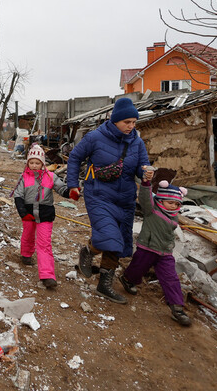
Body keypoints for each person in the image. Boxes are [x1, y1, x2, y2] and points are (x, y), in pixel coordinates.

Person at [66, 97, 150, 303]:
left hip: (125, 199)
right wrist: (72, 185)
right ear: (115, 121)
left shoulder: (137, 143)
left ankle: (104, 285)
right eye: (127, 122)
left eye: (134, 122)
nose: (131, 126)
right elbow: (75, 157)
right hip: (99, 194)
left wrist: (146, 173)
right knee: (109, 236)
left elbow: (142, 166)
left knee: (119, 242)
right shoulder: (95, 137)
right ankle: (88, 251)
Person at [119, 178, 192, 326]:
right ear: (161, 200)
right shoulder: (152, 210)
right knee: (137, 268)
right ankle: (127, 280)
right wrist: (146, 183)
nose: (173, 206)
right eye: (170, 203)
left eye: (176, 204)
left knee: (171, 278)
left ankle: (177, 308)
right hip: (147, 247)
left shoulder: (173, 216)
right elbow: (145, 197)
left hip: (165, 253)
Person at [12, 144, 70, 288]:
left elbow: (61, 188)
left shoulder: (51, 176)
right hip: (28, 214)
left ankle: (47, 275)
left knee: (44, 244)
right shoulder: (24, 177)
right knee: (28, 234)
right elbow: (18, 195)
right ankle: (26, 254)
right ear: (27, 163)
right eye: (31, 162)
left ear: (43, 163)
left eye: (37, 163)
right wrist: (23, 213)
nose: (34, 165)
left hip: (45, 214)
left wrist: (70, 192)